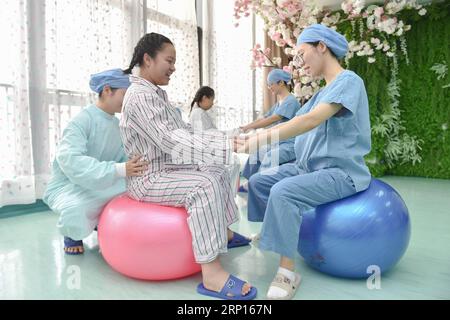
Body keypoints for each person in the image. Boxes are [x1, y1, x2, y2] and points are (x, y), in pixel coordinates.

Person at [235, 24, 372, 299]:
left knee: (283, 191)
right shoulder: (322, 92)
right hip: (307, 166)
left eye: (301, 53)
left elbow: (307, 121)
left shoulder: (349, 81)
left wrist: (260, 140)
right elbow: (300, 127)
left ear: (321, 46)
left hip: (339, 172)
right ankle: (275, 233)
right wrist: (253, 139)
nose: (298, 64)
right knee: (260, 181)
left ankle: (287, 272)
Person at [120, 33, 256, 300]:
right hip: (149, 177)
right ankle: (212, 275)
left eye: (175, 61)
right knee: (204, 185)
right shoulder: (139, 96)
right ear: (147, 59)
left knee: (218, 171)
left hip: (167, 170)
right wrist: (223, 145)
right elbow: (171, 140)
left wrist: (227, 141)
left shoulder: (156, 95)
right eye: (169, 60)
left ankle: (225, 234)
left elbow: (184, 131)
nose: (173, 67)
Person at [43, 69, 148, 255]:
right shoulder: (82, 121)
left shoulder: (118, 125)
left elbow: (122, 157)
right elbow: (70, 160)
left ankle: (101, 223)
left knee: (139, 191)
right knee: (77, 208)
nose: (129, 102)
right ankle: (72, 234)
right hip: (72, 184)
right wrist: (118, 169)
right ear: (107, 90)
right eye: (126, 95)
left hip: (107, 179)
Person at [238, 69, 301, 192]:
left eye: (271, 84)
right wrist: (247, 126)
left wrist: (250, 128)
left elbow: (273, 119)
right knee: (256, 152)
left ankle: (261, 186)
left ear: (281, 83)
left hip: (289, 144)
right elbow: (265, 118)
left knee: (270, 156)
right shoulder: (279, 103)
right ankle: (250, 183)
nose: (269, 87)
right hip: (278, 142)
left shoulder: (291, 101)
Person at [189, 86, 241, 196]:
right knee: (233, 162)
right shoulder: (198, 113)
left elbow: (212, 133)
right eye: (212, 100)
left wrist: (230, 135)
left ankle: (228, 193)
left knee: (234, 161)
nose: (213, 103)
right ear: (204, 98)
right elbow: (207, 135)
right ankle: (227, 194)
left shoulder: (199, 112)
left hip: (208, 148)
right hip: (205, 152)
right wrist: (231, 135)